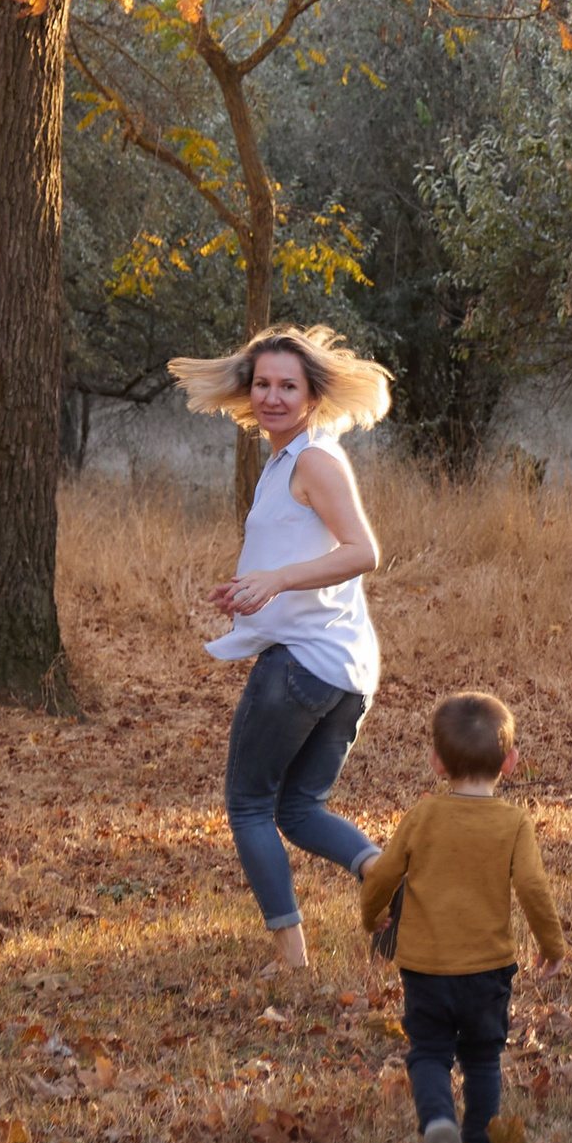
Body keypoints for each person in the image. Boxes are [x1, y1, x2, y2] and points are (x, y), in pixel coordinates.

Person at [168, 323, 393, 982]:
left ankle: (291, 959)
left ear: (312, 394)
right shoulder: (285, 460)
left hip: (302, 667)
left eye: (286, 385)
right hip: (341, 668)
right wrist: (250, 586)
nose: (271, 395)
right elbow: (297, 552)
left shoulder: (315, 458)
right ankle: (386, 879)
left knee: (248, 805)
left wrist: (274, 581)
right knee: (298, 809)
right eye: (263, 383)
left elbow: (362, 551)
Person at [357, 689, 565, 1143]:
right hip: (488, 970)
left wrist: (373, 917)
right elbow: (533, 888)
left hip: (426, 968)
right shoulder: (513, 823)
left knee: (428, 1053)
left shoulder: (424, 816)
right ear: (511, 763)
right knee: (481, 1059)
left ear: (436, 763)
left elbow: (382, 874)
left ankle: (437, 1127)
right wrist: (551, 945)